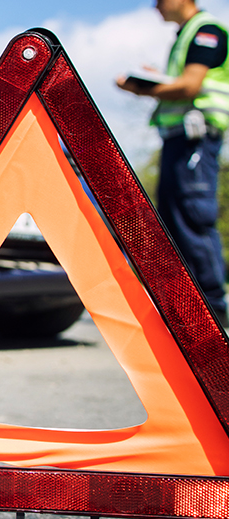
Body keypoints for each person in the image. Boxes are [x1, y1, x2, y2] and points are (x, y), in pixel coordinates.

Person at [118, 0, 229, 326]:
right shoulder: (185, 36)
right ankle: (187, 307)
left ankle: (214, 308)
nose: (155, 7)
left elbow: (190, 85)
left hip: (195, 139)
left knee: (193, 218)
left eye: (159, 0)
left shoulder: (205, 32)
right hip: (178, 139)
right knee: (172, 218)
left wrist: (142, 87)